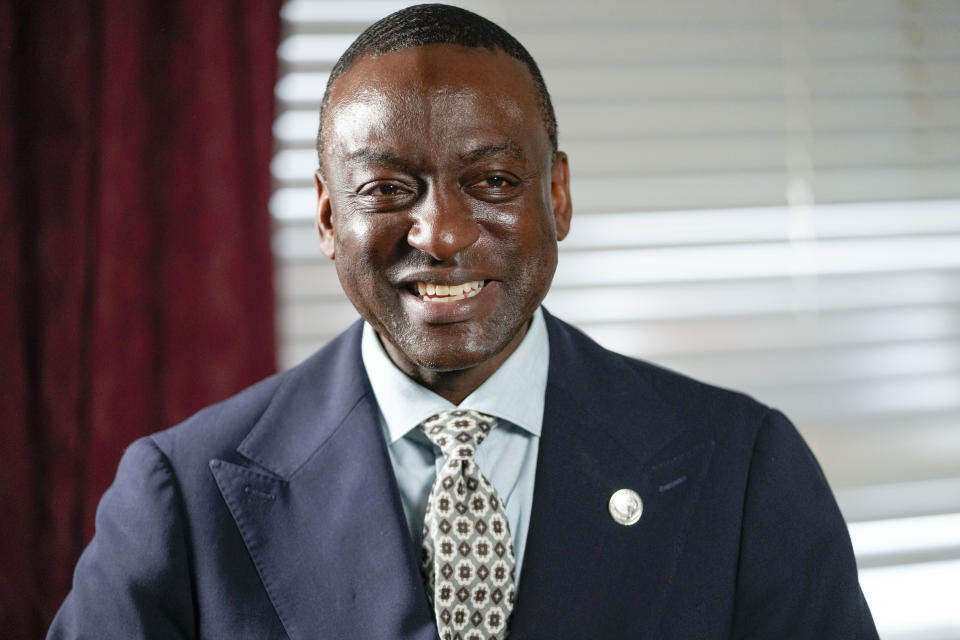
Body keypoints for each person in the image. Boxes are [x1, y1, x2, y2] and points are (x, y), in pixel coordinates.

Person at [48, 4, 878, 639]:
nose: (441, 234)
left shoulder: (741, 471)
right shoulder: (180, 498)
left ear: (556, 196)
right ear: (330, 217)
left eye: (492, 182)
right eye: (387, 190)